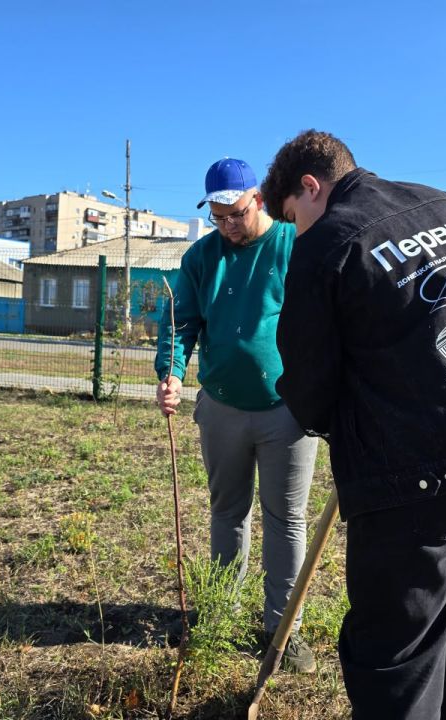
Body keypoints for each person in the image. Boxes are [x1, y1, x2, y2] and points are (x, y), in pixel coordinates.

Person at [261, 130, 446, 718]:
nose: (296, 232)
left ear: (311, 188)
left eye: (292, 217)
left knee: (394, 656)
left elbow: (309, 387)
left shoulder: (328, 244)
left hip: (426, 474)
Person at [155, 157, 319, 673]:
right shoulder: (203, 257)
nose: (227, 225)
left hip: (288, 412)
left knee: (286, 519)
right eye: (218, 217)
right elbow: (180, 320)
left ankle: (281, 628)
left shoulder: (295, 245)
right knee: (228, 513)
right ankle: (221, 614)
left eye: (236, 214)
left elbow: (327, 315)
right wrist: (173, 371)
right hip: (221, 406)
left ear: (259, 201)